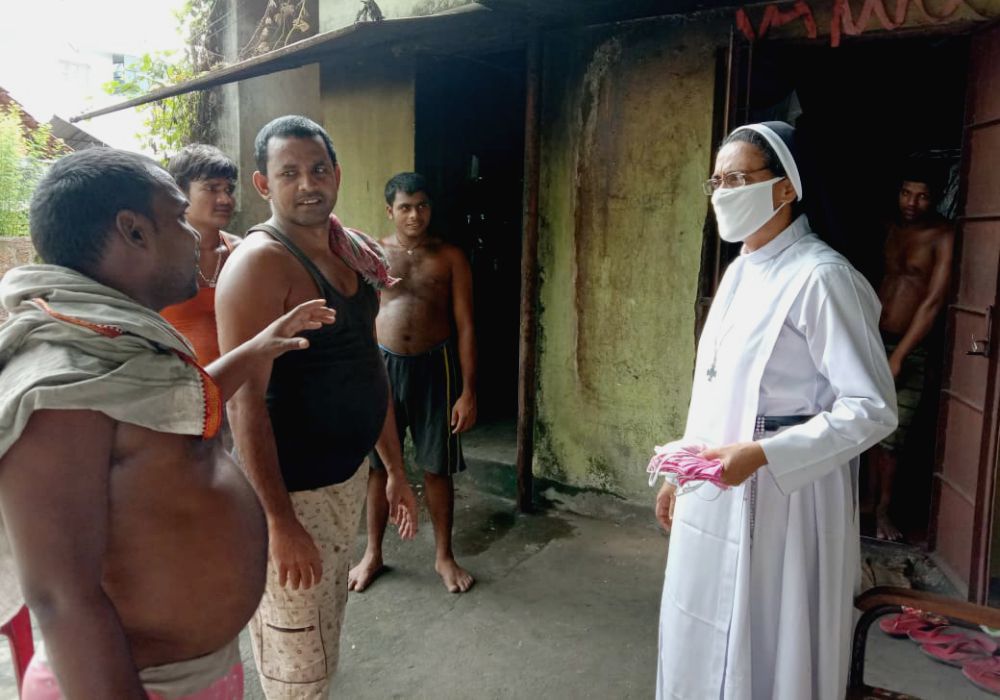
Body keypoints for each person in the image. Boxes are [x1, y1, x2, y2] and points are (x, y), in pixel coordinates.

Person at [0, 147, 335, 699]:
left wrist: (256, 349)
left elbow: (182, 409)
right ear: (133, 232)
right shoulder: (60, 388)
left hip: (197, 676)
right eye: (178, 217)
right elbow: (63, 598)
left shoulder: (122, 349)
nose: (192, 232)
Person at [653, 122, 897, 700]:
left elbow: (872, 408)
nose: (721, 193)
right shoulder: (739, 270)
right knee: (698, 624)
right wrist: (677, 474)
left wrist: (765, 454)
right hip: (714, 487)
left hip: (787, 497)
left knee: (769, 639)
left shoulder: (823, 277)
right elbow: (712, 388)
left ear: (785, 190)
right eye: (716, 180)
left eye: (738, 179)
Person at [215, 115, 419, 699]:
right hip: (292, 496)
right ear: (263, 184)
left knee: (321, 641)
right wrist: (279, 523)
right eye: (289, 173)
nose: (308, 184)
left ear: (338, 173)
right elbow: (244, 403)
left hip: (344, 484)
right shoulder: (261, 264)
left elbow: (368, 365)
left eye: (319, 169)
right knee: (294, 664)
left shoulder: (351, 253)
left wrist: (394, 471)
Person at [349, 172, 477, 594]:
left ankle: (444, 556)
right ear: (390, 210)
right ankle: (373, 554)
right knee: (378, 467)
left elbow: (465, 325)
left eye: (421, 205)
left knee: (437, 467)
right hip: (383, 366)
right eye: (405, 207)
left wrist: (468, 391)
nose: (414, 215)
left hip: (435, 367)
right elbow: (360, 314)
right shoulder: (374, 254)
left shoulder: (449, 257)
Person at [867, 166, 954, 541]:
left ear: (935, 199)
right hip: (872, 339)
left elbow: (933, 302)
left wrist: (900, 355)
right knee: (864, 425)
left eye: (921, 196)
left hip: (911, 348)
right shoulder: (890, 227)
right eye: (906, 193)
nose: (912, 203)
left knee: (893, 434)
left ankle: (884, 510)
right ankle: (867, 502)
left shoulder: (943, 235)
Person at [160, 144, 241, 366]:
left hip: (237, 387)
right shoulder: (156, 258)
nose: (226, 199)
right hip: (177, 390)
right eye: (212, 188)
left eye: (229, 189)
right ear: (178, 192)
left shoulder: (242, 253)